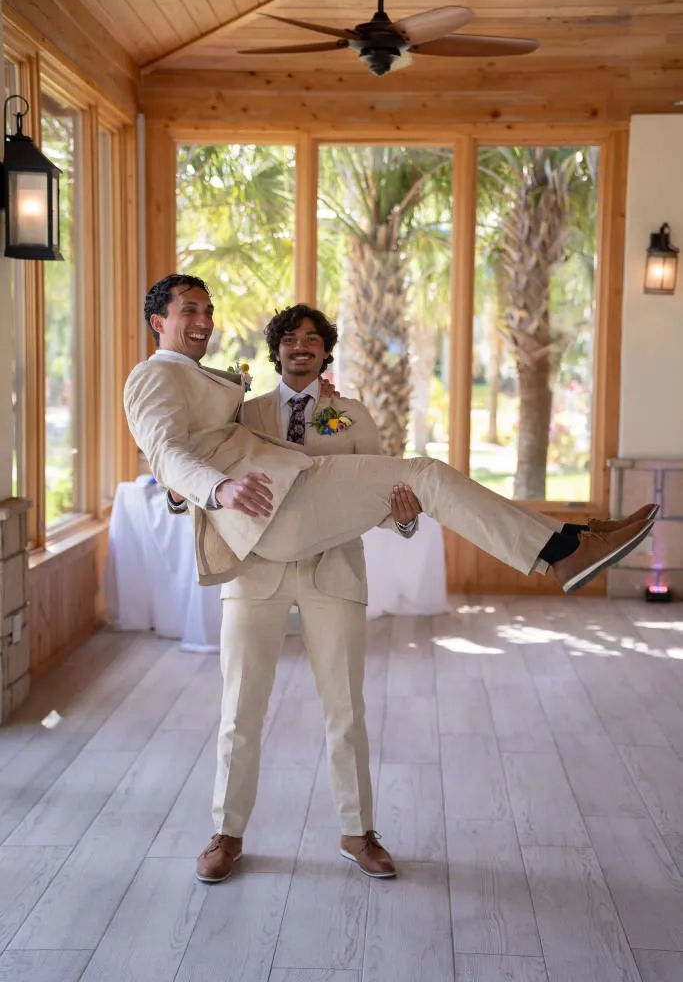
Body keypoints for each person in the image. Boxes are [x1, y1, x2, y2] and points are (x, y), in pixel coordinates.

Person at [124, 273, 654, 619]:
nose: (203, 322)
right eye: (189, 311)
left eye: (207, 311)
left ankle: (571, 540)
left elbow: (209, 441)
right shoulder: (155, 377)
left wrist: (401, 519)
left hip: (302, 511)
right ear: (158, 322)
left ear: (326, 354)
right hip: (269, 516)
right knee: (423, 471)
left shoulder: (248, 392)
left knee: (421, 477)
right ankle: (565, 550)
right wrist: (215, 490)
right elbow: (167, 455)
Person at [168, 303, 422, 883]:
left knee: (346, 708)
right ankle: (226, 834)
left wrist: (403, 518)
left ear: (326, 352)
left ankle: (358, 833)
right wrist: (181, 491)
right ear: (276, 349)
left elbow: (379, 496)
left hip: (334, 571)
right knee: (240, 709)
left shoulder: (352, 417)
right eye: (289, 338)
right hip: (255, 572)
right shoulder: (240, 412)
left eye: (312, 338)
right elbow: (199, 482)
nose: (300, 346)